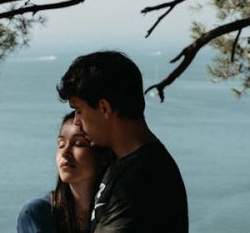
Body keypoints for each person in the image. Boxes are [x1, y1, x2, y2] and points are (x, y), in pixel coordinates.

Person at [57, 51, 189, 232]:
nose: (77, 121)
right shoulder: (127, 166)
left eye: (79, 110)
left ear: (104, 108)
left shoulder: (142, 179)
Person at [17, 111, 114, 233]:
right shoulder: (38, 214)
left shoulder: (118, 210)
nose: (65, 152)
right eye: (61, 144)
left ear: (103, 156)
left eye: (78, 144)